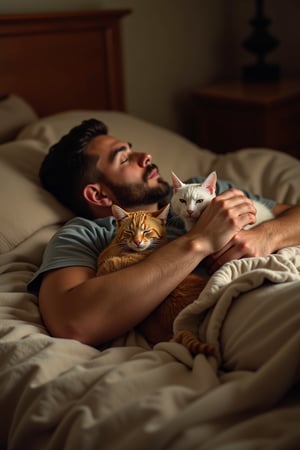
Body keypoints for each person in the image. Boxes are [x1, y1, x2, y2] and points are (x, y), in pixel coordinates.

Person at [28, 119, 300, 347]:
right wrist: (199, 241)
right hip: (247, 313)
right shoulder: (83, 234)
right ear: (98, 194)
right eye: (124, 159)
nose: (144, 156)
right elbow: (73, 321)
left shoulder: (200, 192)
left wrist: (267, 235)